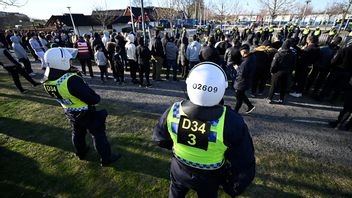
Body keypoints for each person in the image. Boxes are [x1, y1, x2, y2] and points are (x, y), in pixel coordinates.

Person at [153, 62, 255, 198]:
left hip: (179, 168)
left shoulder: (173, 110)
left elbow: (160, 139)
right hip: (210, 176)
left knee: (176, 192)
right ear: (221, 88)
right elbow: (244, 161)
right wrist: (232, 186)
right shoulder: (231, 120)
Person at [42, 47, 120, 166]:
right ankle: (106, 158)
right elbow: (94, 99)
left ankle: (81, 152)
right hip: (85, 112)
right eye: (68, 60)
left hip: (69, 110)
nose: (70, 62)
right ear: (61, 62)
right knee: (98, 134)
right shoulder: (71, 80)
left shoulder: (46, 79)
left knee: (77, 133)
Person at [234, 44, 256, 113]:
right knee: (242, 95)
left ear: (243, 52)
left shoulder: (246, 62)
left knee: (239, 97)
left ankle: (235, 112)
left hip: (242, 82)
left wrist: (237, 68)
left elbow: (242, 73)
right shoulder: (252, 57)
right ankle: (250, 106)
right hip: (247, 80)